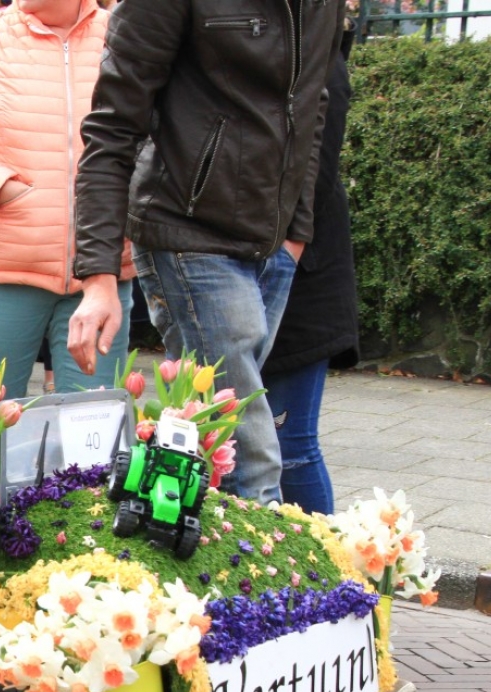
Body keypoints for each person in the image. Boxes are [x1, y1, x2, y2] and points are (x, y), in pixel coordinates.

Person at [68, 0, 346, 504]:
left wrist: (294, 235)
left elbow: (314, 106)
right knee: (249, 454)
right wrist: (98, 277)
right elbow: (111, 129)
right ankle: (267, 580)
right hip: (186, 231)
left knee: (209, 442)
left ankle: (173, 562)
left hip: (273, 242)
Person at [0, 0, 135, 400]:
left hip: (102, 276)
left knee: (94, 432)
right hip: (2, 270)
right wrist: (5, 190)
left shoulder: (123, 33)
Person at [262, 23, 359, 516]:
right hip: (261, 262)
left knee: (291, 446)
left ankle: (332, 587)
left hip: (301, 275)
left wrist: (284, 257)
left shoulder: (320, 62)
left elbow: (312, 176)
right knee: (255, 448)